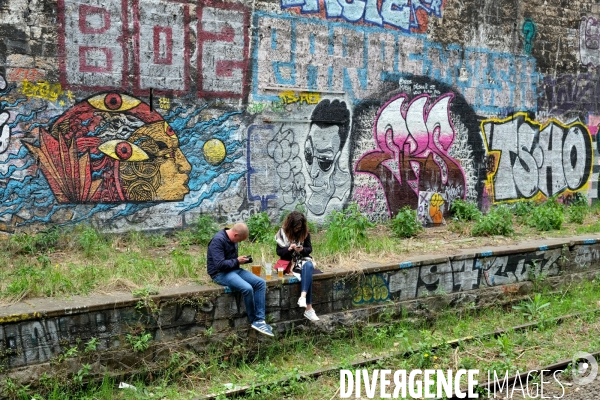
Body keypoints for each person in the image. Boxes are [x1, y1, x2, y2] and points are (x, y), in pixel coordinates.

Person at [207, 222, 274, 337]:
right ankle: (253, 320)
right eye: (240, 240)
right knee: (247, 288)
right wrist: (237, 261)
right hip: (219, 273)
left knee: (260, 283)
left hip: (234, 269)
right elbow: (219, 265)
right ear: (235, 235)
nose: (239, 243)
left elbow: (232, 260)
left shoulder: (233, 239)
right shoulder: (218, 240)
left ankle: (260, 320)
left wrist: (242, 260)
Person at [275, 211, 319, 321]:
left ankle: (302, 297)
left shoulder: (305, 232)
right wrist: (289, 249)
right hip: (289, 263)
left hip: (302, 259)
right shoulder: (282, 233)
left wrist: (302, 249)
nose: (297, 230)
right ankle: (309, 309)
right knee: (308, 274)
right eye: (295, 227)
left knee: (308, 265)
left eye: (299, 227)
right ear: (290, 226)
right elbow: (279, 252)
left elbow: (309, 249)